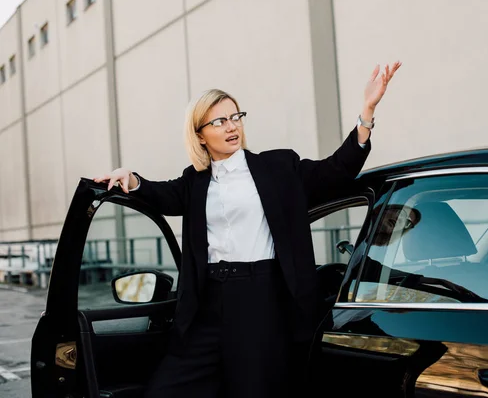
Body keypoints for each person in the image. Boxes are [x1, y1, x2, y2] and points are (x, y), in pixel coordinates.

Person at [94, 61, 401, 398]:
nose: (231, 126)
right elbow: (159, 194)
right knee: (167, 388)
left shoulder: (278, 167)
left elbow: (336, 170)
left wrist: (366, 114)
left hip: (262, 298)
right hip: (208, 303)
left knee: (252, 388)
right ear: (200, 134)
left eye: (236, 117)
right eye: (220, 121)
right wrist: (130, 178)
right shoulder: (194, 181)